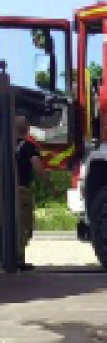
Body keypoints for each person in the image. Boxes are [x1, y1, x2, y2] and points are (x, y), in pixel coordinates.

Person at [3, 115, 46, 271]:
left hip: (4, 192)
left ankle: (7, 256)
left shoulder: (4, 146)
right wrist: (51, 186)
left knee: (7, 223)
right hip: (22, 191)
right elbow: (38, 168)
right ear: (27, 128)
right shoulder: (29, 147)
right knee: (24, 224)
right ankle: (18, 258)